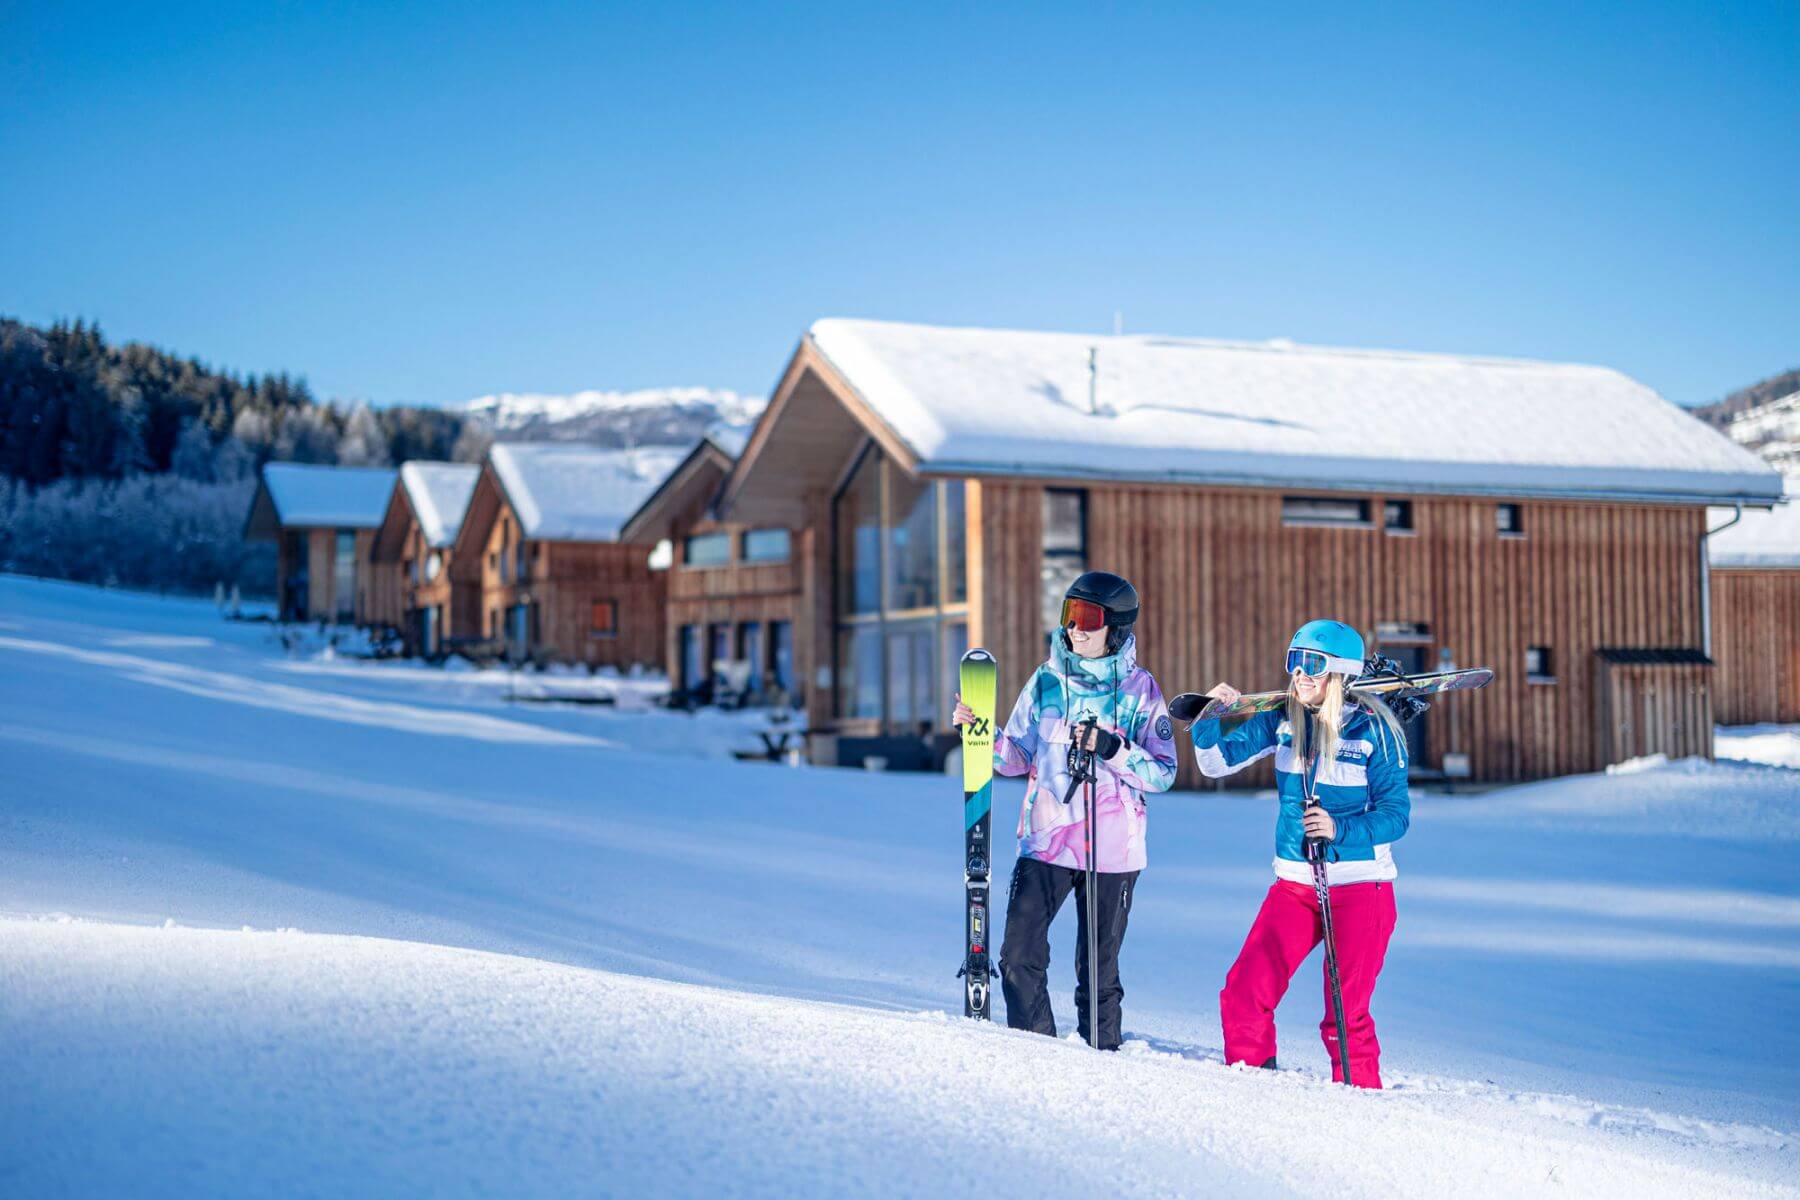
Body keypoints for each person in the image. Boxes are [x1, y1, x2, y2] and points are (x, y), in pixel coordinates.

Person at [952, 571, 1178, 1049]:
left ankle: (1101, 1056)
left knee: (1097, 974)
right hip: (1047, 840)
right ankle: (1040, 1053)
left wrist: (1113, 748)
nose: (1075, 628)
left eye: (1088, 618)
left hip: (1112, 852)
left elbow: (1163, 772)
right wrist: (980, 734)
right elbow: (1015, 757)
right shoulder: (1046, 681)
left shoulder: (1140, 690)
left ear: (1115, 627)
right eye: (1069, 615)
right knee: (1018, 958)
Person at [1191, 619, 1411, 1088]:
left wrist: (1339, 828)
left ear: (1341, 673)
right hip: (1294, 886)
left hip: (1361, 887)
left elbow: (1396, 816)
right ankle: (1254, 1091)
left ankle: (1361, 1107)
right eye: (1294, 661)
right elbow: (1214, 764)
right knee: (1244, 993)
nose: (1299, 674)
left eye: (1312, 664)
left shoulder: (1376, 732)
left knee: (1344, 1017)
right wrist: (1209, 717)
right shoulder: (1282, 720)